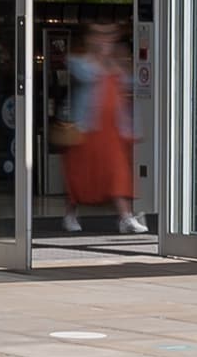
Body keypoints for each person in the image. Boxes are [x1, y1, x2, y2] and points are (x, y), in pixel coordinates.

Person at [59, 21, 142, 236]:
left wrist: (117, 61)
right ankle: (70, 214)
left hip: (112, 131)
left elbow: (131, 82)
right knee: (80, 176)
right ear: (90, 38)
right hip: (86, 130)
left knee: (117, 173)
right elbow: (80, 71)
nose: (105, 40)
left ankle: (125, 217)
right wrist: (101, 58)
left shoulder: (115, 63)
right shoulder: (83, 62)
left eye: (109, 35)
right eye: (100, 35)